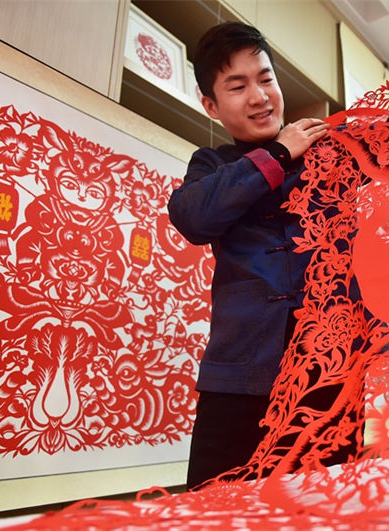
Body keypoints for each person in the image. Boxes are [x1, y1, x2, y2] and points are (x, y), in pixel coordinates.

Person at [167, 21, 334, 489]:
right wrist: (278, 154)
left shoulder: (330, 152)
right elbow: (192, 218)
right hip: (239, 375)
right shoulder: (212, 164)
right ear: (211, 104)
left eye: (265, 79)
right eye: (238, 86)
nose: (260, 96)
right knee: (214, 504)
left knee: (322, 504)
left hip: (328, 371)